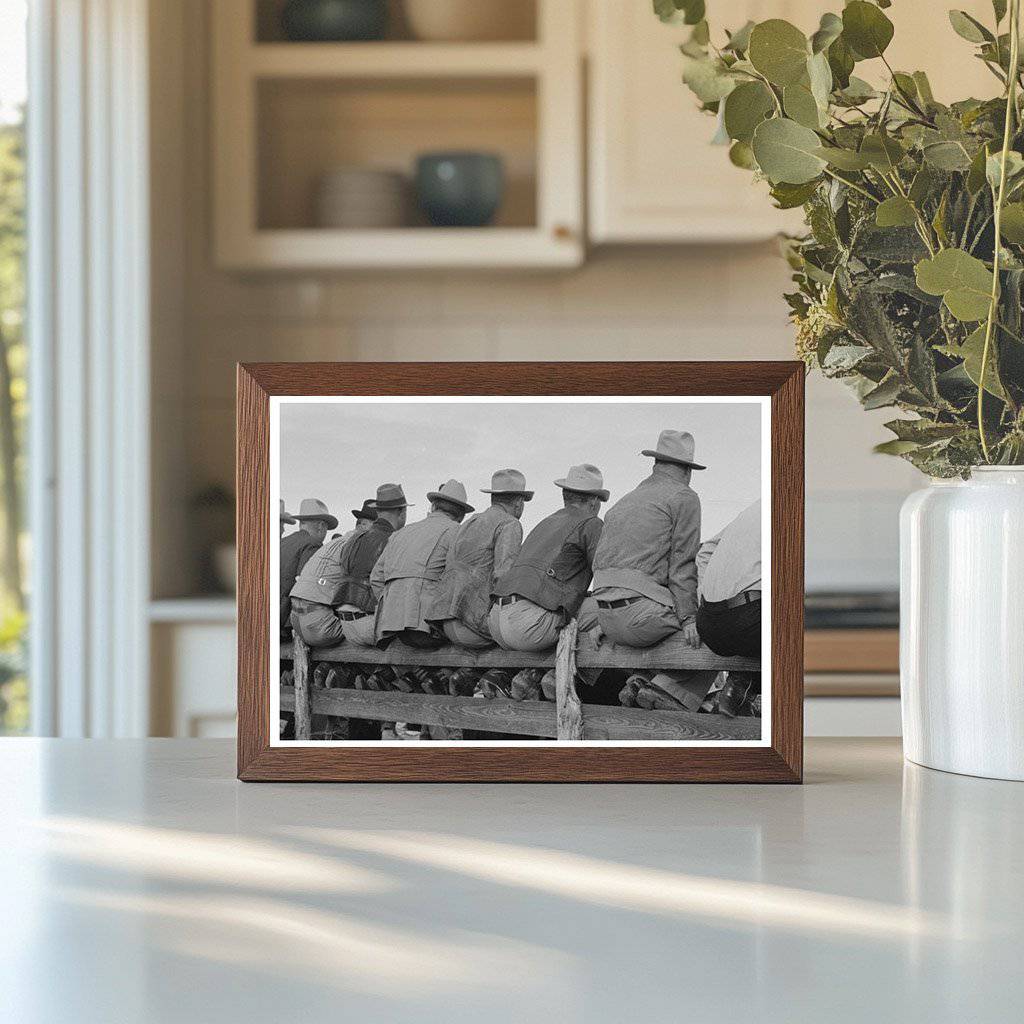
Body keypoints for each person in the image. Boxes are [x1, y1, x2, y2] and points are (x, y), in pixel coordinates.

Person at [591, 430, 716, 711]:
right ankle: (669, 690)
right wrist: (688, 619)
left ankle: (639, 681)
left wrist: (605, 620)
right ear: (687, 469)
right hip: (641, 619)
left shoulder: (624, 501)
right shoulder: (684, 496)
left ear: (656, 464)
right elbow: (683, 565)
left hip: (606, 619)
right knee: (714, 627)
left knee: (664, 623)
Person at [489, 464, 606, 653]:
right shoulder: (592, 523)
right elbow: (604, 576)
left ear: (565, 497)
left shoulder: (545, 522)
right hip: (527, 628)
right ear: (594, 501)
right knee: (616, 611)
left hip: (495, 623)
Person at [289, 484, 407, 648]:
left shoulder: (342, 541)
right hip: (320, 622)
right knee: (381, 634)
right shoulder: (371, 541)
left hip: (295, 618)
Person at [427, 469, 531, 648]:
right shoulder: (510, 524)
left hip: (446, 621)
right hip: (474, 626)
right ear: (519, 503)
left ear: (493, 498)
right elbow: (503, 577)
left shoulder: (469, 522)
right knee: (530, 632)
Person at [371, 480, 473, 648]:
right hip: (427, 627)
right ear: (462, 515)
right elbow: (462, 580)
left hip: (390, 627)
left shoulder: (400, 533)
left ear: (433, 506)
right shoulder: (457, 531)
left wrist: (392, 606)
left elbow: (376, 578)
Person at [696, 499, 762, 716]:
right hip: (749, 619)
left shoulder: (755, 508)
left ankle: (741, 688)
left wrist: (706, 601)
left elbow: (705, 551)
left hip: (708, 623)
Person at [279, 498, 337, 634]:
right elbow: (306, 585)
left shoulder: (283, 542)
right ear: (321, 525)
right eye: (326, 528)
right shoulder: (313, 544)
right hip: (286, 623)